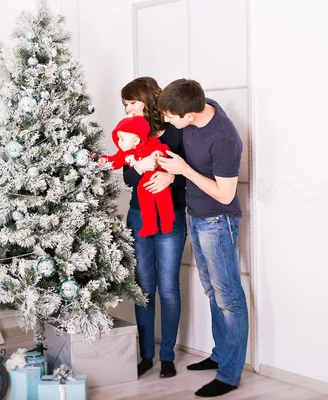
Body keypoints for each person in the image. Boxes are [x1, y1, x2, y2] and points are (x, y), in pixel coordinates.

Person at [156, 78, 248, 398]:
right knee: (212, 292)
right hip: (195, 217)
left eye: (170, 117)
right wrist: (171, 170)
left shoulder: (224, 139)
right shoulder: (198, 106)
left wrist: (182, 169)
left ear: (189, 116)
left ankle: (229, 374)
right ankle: (220, 355)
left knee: (229, 298)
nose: (167, 121)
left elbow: (225, 195)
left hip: (218, 221)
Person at [118, 77, 187, 379]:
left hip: (171, 218)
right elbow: (128, 179)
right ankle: (146, 355)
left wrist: (171, 178)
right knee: (144, 288)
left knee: (169, 288)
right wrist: (141, 168)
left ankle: (167, 355)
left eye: (131, 102)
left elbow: (190, 173)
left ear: (146, 99)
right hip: (138, 216)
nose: (128, 109)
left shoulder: (175, 132)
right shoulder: (129, 133)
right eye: (125, 105)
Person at [98, 115, 174, 237]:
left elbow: (163, 148)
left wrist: (159, 153)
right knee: (144, 199)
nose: (118, 142)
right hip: (144, 183)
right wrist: (104, 161)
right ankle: (150, 225)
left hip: (157, 177)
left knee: (163, 198)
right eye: (118, 139)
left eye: (122, 139)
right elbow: (115, 161)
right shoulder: (124, 154)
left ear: (136, 140)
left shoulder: (151, 143)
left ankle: (167, 221)